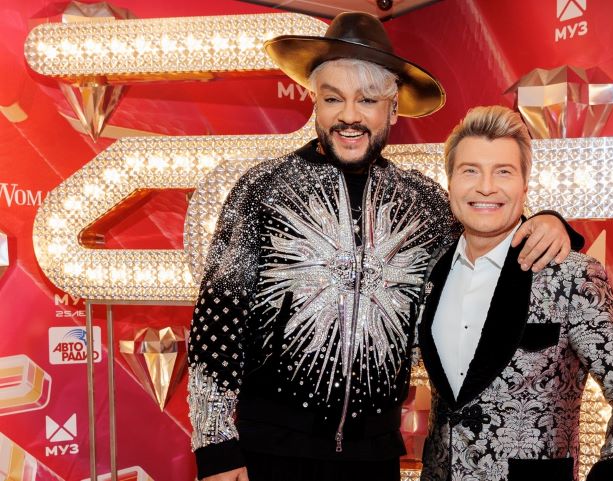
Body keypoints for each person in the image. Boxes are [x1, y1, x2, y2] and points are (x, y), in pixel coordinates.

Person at [188, 14, 583, 481]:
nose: (349, 116)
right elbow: (216, 322)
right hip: (268, 452)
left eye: (367, 100)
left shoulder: (424, 204)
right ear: (315, 104)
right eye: (333, 98)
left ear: (393, 110)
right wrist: (216, 446)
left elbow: (490, 229)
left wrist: (549, 221)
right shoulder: (263, 189)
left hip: (374, 458)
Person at [418, 105, 613, 481]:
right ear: (450, 182)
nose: (486, 186)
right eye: (470, 170)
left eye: (503, 171)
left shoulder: (570, 275)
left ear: (525, 186)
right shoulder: (431, 267)